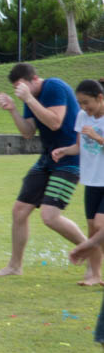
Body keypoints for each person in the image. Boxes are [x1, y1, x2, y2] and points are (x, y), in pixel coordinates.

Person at [0, 62, 89, 278]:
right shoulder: (29, 98)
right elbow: (27, 132)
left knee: (50, 216)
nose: (19, 91)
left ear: (34, 79)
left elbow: (55, 122)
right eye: (16, 88)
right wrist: (13, 110)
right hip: (47, 158)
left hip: (70, 158)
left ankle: (91, 249)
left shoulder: (54, 87)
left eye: (21, 86)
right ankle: (15, 266)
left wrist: (28, 99)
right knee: (19, 211)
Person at [51, 78, 104, 286]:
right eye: (80, 103)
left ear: (100, 98)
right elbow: (79, 147)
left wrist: (98, 138)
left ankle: (86, 258)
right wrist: (65, 151)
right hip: (91, 180)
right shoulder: (83, 116)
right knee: (92, 229)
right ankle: (95, 275)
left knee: (100, 225)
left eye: (86, 102)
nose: (83, 107)